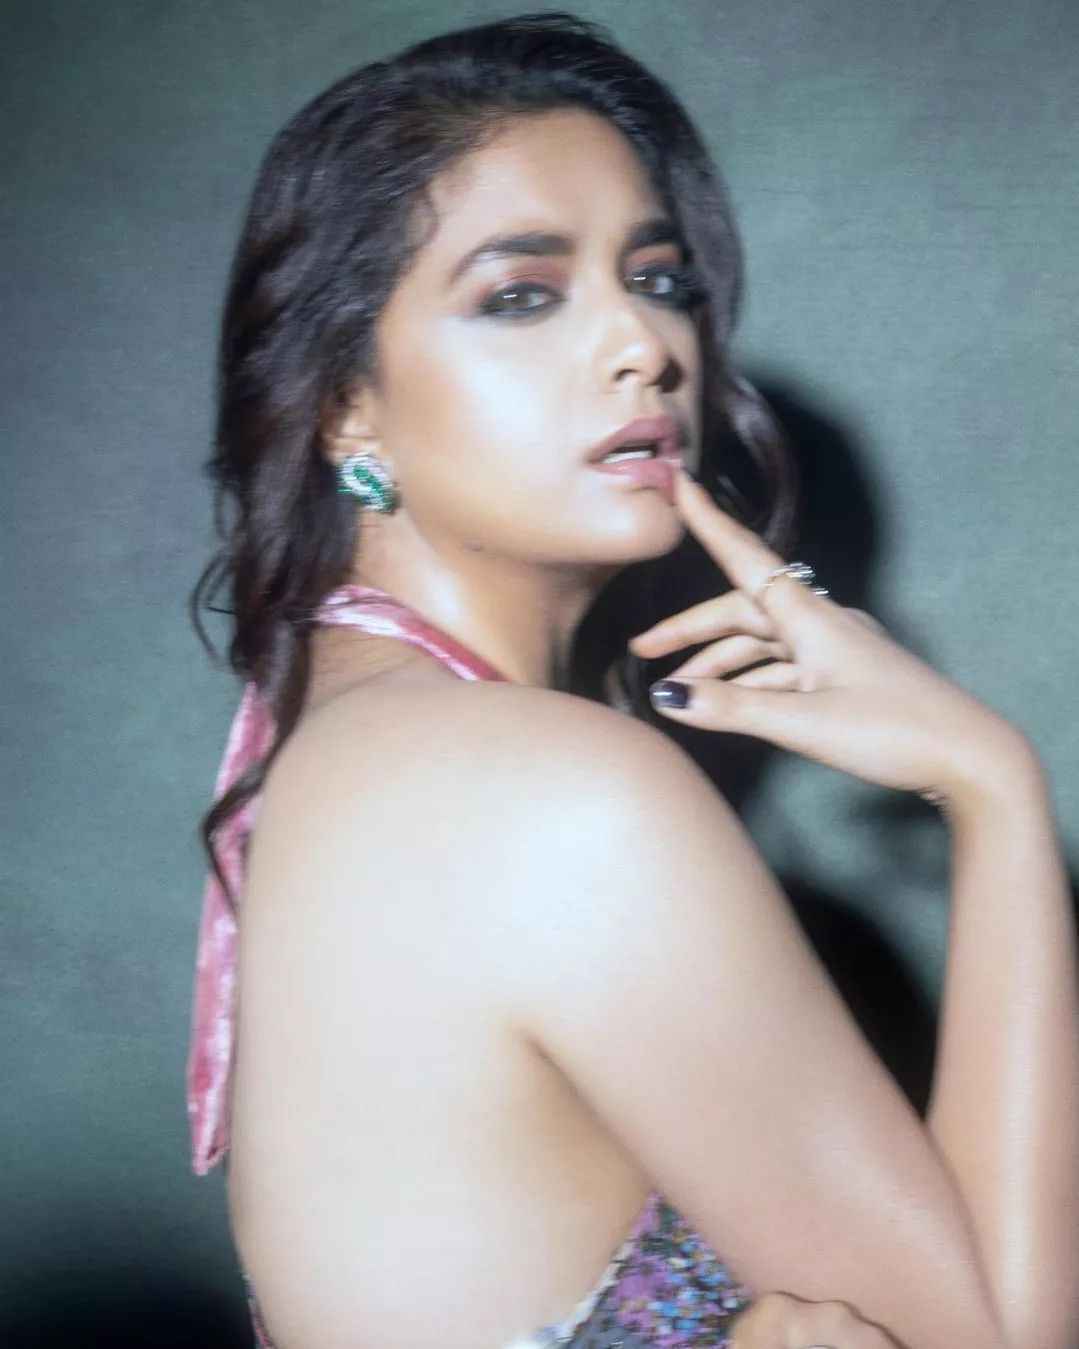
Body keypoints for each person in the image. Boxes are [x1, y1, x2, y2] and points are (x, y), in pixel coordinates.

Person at [186, 13, 1078, 1349]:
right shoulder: (540, 790)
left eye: (658, 279)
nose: (644, 345)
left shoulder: (355, 747)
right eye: (522, 295)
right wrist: (991, 784)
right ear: (343, 406)